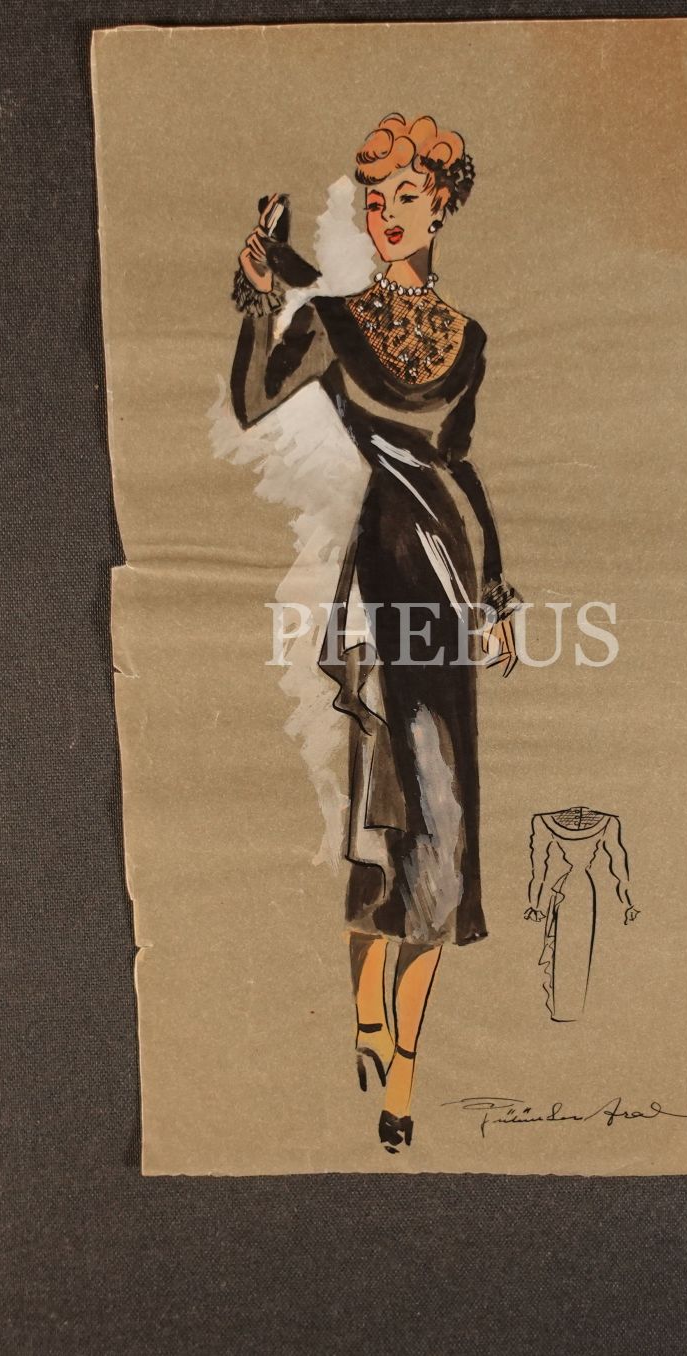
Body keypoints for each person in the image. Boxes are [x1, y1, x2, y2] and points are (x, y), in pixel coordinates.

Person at [229, 114, 519, 1153]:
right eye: (375, 199)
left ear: (441, 204)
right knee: (384, 818)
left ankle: (403, 1070)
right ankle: (365, 1018)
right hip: (381, 582)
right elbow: (255, 398)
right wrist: (260, 300)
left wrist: (497, 596)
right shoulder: (335, 319)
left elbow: (461, 469)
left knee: (444, 831)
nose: (388, 213)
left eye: (406, 195)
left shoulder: (468, 341)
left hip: (449, 590)